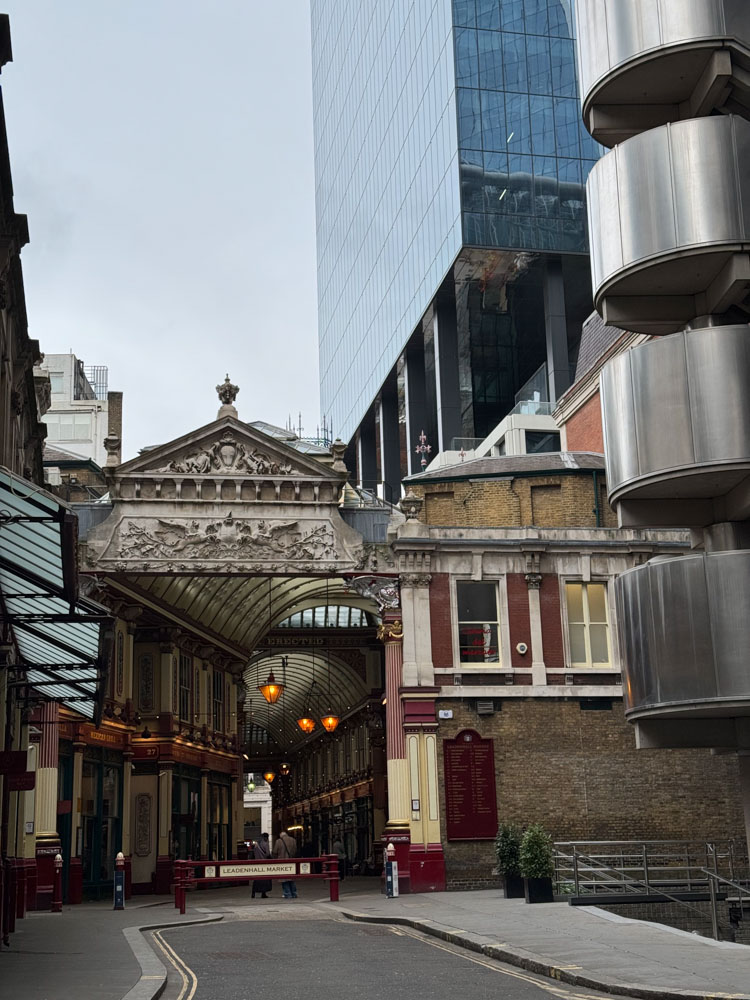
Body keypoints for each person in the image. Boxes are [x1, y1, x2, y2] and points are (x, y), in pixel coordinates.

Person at [273, 829, 298, 898]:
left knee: (284, 878)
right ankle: (294, 893)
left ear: (281, 836)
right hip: (291, 862)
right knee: (291, 878)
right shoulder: (293, 840)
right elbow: (295, 850)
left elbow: (275, 851)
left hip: (282, 862)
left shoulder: (279, 841)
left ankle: (287, 893)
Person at [251, 833, 272, 899]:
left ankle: (253, 893)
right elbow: (268, 854)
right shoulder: (266, 844)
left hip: (257, 863)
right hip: (264, 863)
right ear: (266, 837)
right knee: (264, 878)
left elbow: (253, 853)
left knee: (256, 879)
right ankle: (263, 893)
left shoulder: (256, 844)